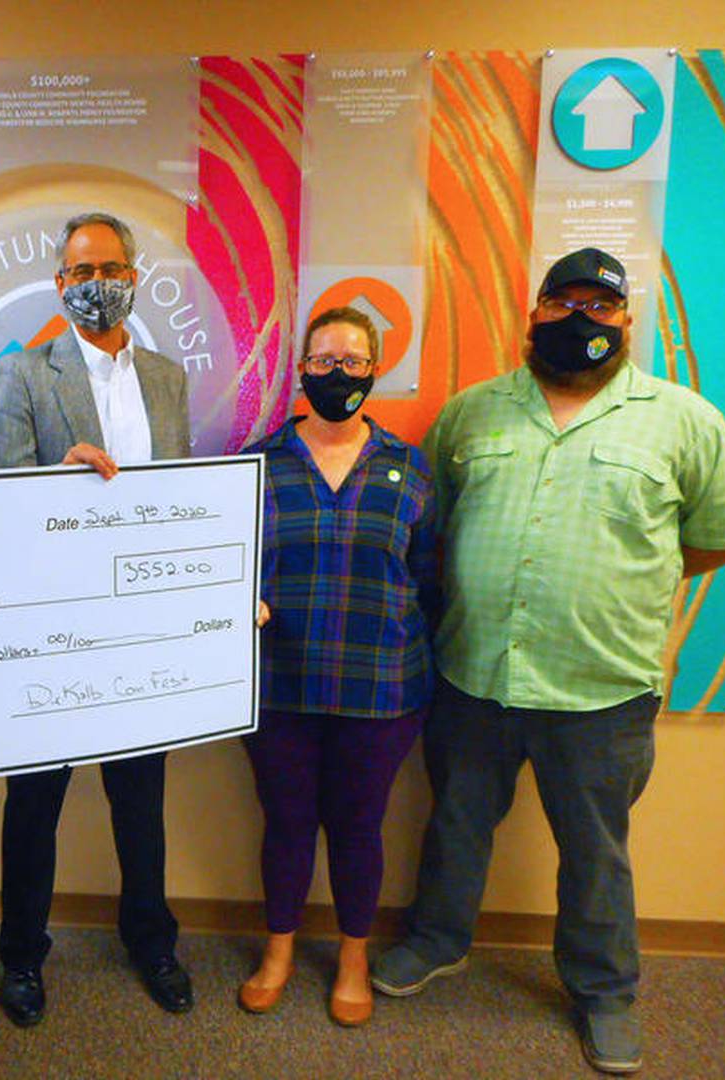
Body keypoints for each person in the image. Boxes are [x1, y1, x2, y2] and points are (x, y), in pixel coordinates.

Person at [371, 248, 725, 1074]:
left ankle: (604, 991)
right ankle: (439, 940)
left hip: (601, 686)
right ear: (536, 312)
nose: (581, 319)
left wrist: (631, 580)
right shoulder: (473, 413)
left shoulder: (682, 418)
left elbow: (720, 537)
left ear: (626, 321)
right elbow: (433, 522)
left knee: (595, 849)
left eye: (600, 305)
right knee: (457, 823)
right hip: (474, 673)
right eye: (563, 302)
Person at [0, 211, 194, 1025]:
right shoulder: (27, 374)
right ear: (59, 284)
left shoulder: (170, 378)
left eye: (110, 266)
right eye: (78, 271)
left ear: (134, 276)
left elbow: (181, 499)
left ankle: (153, 940)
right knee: (34, 803)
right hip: (51, 631)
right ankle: (22, 956)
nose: (95, 282)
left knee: (141, 801)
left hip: (140, 629)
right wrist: (53, 481)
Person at [239, 307, 438, 1026]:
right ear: (301, 369)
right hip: (278, 685)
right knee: (286, 822)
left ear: (376, 369)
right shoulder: (256, 464)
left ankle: (353, 956)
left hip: (381, 688)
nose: (338, 373)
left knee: (360, 826)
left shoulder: (410, 467)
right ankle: (280, 950)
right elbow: (225, 567)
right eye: (324, 360)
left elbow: (430, 576)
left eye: (355, 360)